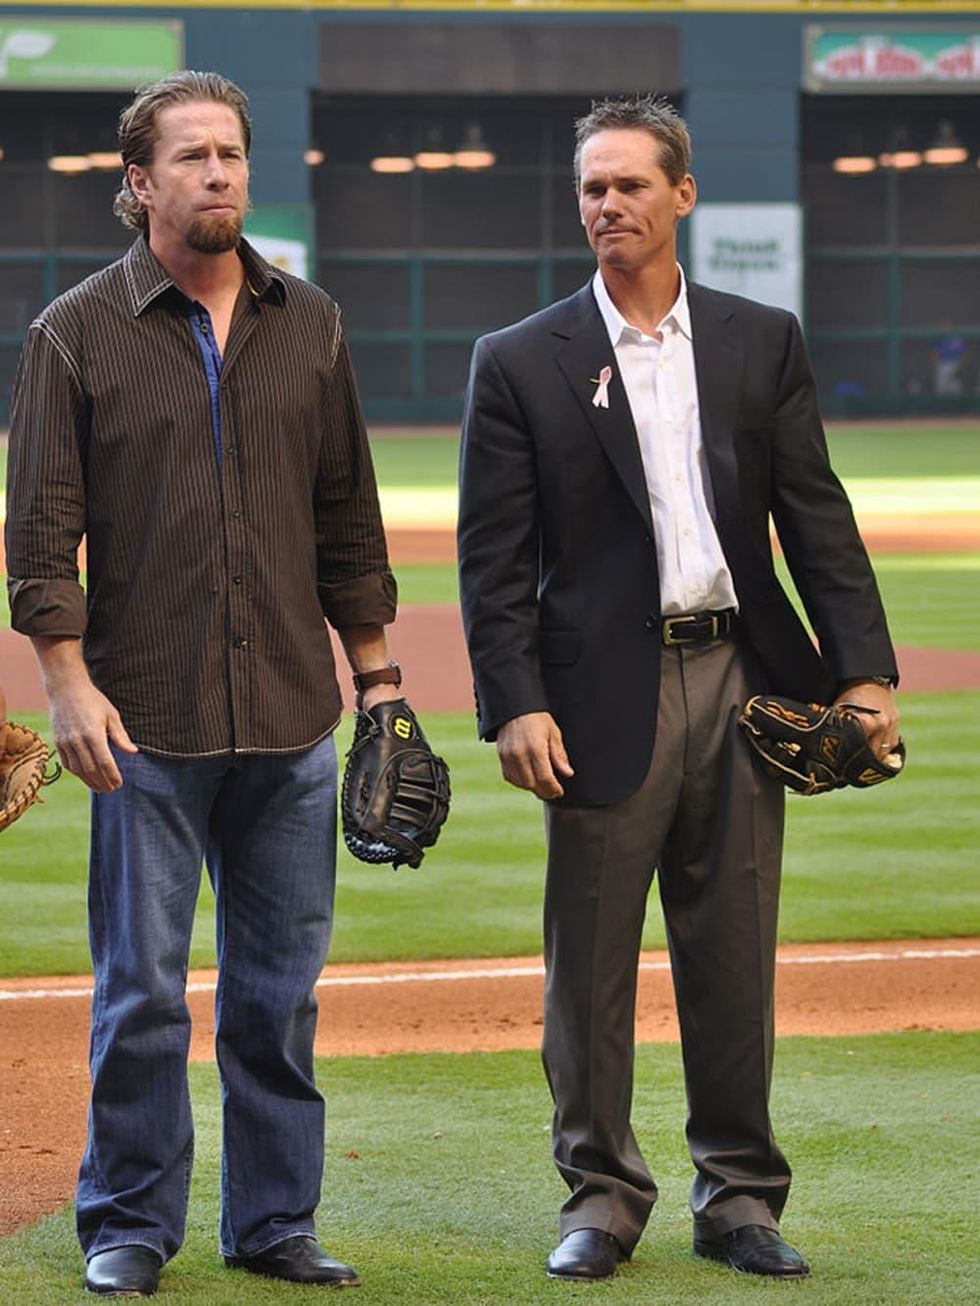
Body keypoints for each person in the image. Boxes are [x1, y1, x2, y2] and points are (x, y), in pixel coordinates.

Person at [457, 95, 900, 1284]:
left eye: (629, 185)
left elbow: (817, 519)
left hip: (742, 682)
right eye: (591, 187)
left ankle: (738, 1196)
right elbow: (490, 563)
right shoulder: (518, 358)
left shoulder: (760, 339)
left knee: (731, 954)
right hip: (600, 693)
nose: (607, 204)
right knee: (587, 965)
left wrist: (862, 673)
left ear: (680, 196)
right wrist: (514, 699)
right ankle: (600, 1194)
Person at [5, 70, 405, 1298]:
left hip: (289, 713)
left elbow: (348, 519)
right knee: (140, 999)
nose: (218, 173)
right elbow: (40, 530)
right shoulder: (74, 331)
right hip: (146, 722)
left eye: (230, 153)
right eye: (190, 157)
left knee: (278, 998)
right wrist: (67, 683)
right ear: (140, 185)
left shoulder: (311, 323)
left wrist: (379, 685)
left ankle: (275, 1221)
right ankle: (127, 1220)